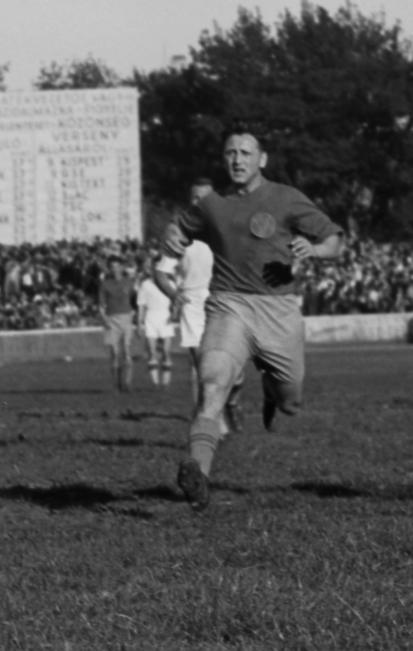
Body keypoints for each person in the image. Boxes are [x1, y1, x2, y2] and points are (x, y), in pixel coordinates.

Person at [163, 128, 342, 511]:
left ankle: (273, 394)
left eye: (245, 152)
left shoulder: (286, 198)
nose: (237, 159)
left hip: (279, 311)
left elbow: (334, 240)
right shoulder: (212, 204)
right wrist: (172, 238)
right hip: (229, 306)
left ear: (262, 159)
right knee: (212, 384)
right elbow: (178, 226)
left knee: (291, 401)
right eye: (230, 153)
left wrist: (313, 248)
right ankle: (198, 472)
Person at [155, 178, 234, 423]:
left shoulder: (227, 227)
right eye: (194, 197)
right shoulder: (179, 233)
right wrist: (173, 294)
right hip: (193, 302)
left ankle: (225, 407)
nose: (199, 202)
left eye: (204, 197)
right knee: (202, 363)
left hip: (223, 299)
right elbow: (160, 272)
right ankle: (209, 419)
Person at [96, 260, 138, 392]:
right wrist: (105, 319)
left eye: (117, 266)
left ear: (121, 267)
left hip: (126, 317)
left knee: (126, 350)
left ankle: (127, 383)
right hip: (112, 319)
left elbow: (136, 300)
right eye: (112, 267)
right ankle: (116, 384)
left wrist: (135, 315)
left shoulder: (128, 282)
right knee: (114, 353)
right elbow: (101, 305)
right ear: (109, 269)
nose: (115, 269)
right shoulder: (105, 285)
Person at [134, 261, 176, 389]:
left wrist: (173, 314)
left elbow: (176, 301)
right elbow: (141, 305)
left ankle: (165, 382)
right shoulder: (145, 285)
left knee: (166, 351)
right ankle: (156, 383)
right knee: (152, 351)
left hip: (165, 317)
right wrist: (139, 324)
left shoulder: (170, 284)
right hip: (150, 317)